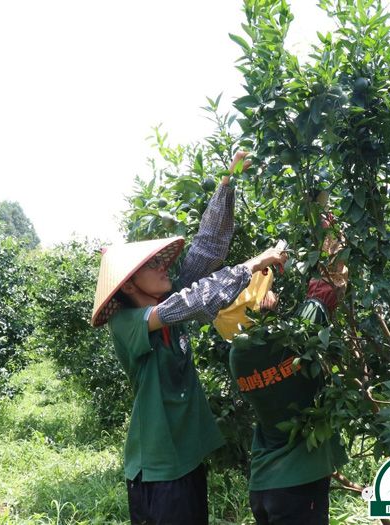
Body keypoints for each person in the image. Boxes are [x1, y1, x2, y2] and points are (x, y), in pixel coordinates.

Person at [90, 151, 288, 525]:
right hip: (159, 467)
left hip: (186, 457)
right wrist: (253, 265)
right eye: (153, 265)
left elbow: (206, 250)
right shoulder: (132, 321)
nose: (164, 267)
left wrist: (228, 182)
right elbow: (195, 300)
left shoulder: (167, 299)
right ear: (130, 283)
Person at [214, 196, 349, 525]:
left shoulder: (237, 354)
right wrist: (325, 224)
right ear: (259, 307)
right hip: (298, 486)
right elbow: (325, 289)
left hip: (264, 484)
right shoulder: (292, 342)